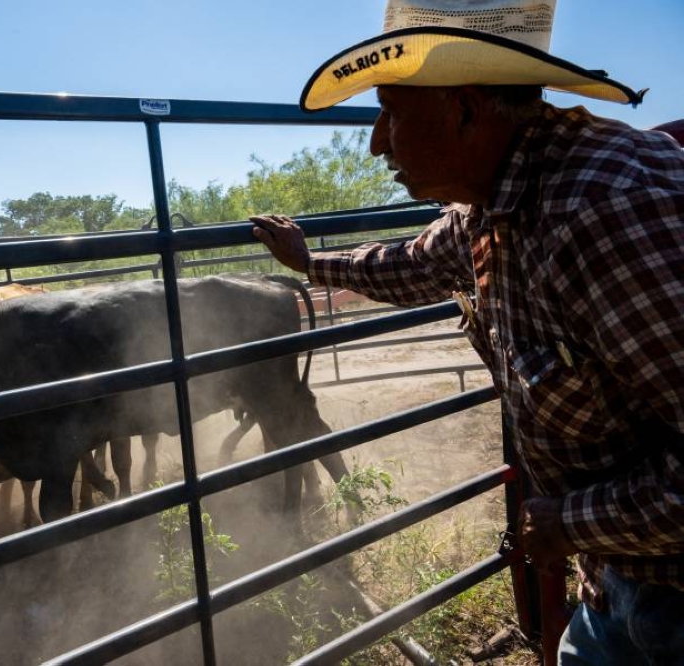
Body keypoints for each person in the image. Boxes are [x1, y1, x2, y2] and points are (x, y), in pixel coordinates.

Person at [251, 1, 684, 663]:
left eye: (391, 109)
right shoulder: (495, 201)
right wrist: (311, 263)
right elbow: (415, 264)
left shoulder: (602, 217)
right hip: (620, 576)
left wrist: (569, 521)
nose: (375, 140)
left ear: (466, 109)